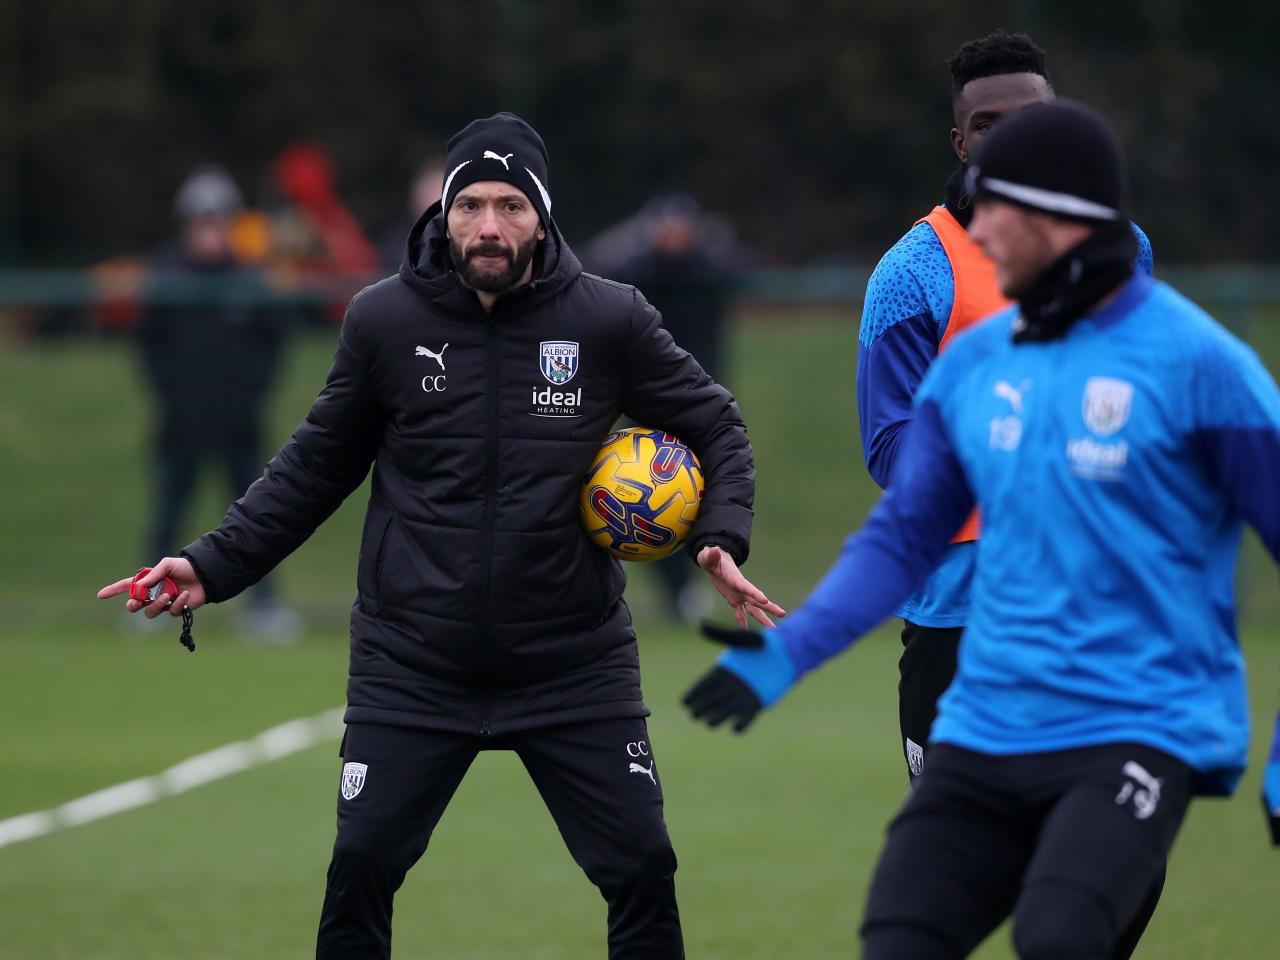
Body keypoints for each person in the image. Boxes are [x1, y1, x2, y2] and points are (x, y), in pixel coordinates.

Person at [100, 112, 783, 960]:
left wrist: (718, 534)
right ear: (444, 213)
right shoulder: (384, 320)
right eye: (471, 205)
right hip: (412, 659)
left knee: (642, 864)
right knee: (360, 865)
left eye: (509, 205)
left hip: (571, 659)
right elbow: (315, 466)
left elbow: (716, 424)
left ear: (541, 214)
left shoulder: (610, 319)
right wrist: (212, 563)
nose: (488, 226)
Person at [684, 100, 1280, 958]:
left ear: (1063, 215)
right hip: (990, 724)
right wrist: (789, 653)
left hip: (1137, 724)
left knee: (1060, 935)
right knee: (900, 939)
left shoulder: (1202, 369)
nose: (978, 228)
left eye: (995, 206)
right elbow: (901, 537)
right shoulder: (977, 364)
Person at [857, 29, 1153, 787]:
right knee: (964, 877)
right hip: (957, 618)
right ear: (962, 143)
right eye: (990, 124)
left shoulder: (1125, 252)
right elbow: (890, 447)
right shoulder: (911, 272)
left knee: (1118, 869)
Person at [137, 165, 299, 638]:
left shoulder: (252, 280)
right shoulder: (165, 277)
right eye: (201, 222)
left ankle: (264, 607)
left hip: (239, 420)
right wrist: (175, 394)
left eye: (218, 222)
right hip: (181, 420)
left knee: (258, 515)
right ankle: (146, 597)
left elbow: (275, 346)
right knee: (169, 507)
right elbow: (150, 348)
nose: (209, 232)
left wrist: (248, 392)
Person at [585, 192, 743, 622]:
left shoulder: (708, 271)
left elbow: (734, 269)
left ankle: (695, 579)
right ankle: (670, 588)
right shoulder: (640, 273)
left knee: (700, 496)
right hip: (648, 401)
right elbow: (603, 267)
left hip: (701, 400)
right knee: (644, 497)